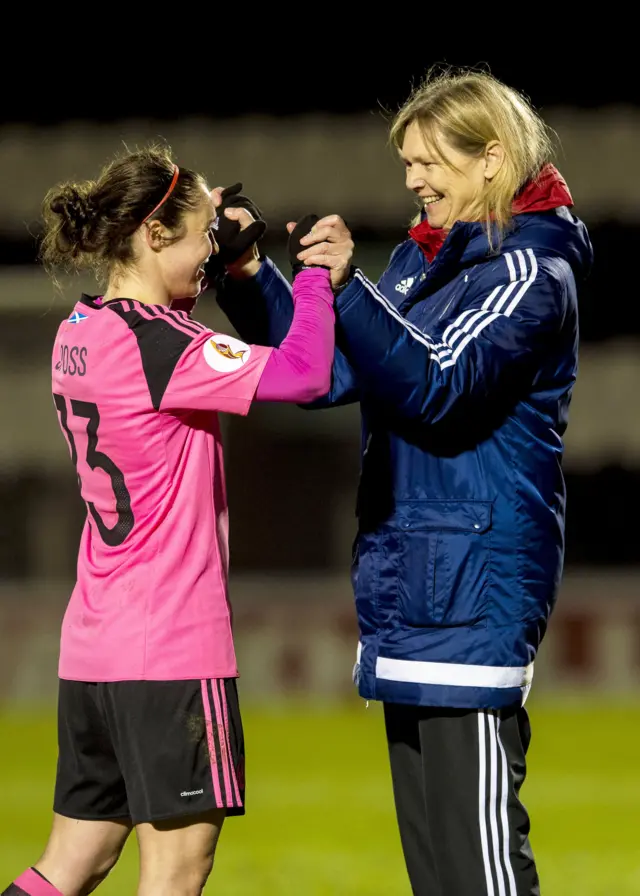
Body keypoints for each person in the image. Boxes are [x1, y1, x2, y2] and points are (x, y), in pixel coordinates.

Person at [210, 69, 593, 896]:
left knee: (480, 872)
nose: (412, 179)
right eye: (407, 163)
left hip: (472, 591)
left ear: (491, 159)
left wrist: (350, 286)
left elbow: (438, 384)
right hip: (413, 585)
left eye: (428, 161)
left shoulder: (531, 272)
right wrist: (247, 271)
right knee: (438, 876)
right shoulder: (429, 265)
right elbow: (341, 367)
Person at [3, 147, 337, 896]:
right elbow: (306, 372)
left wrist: (210, 242)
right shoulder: (167, 348)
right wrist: (313, 275)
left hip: (94, 645)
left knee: (71, 862)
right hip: (171, 648)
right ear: (153, 237)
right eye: (197, 239)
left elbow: (166, 318)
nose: (206, 257)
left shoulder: (79, 332)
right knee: (178, 871)